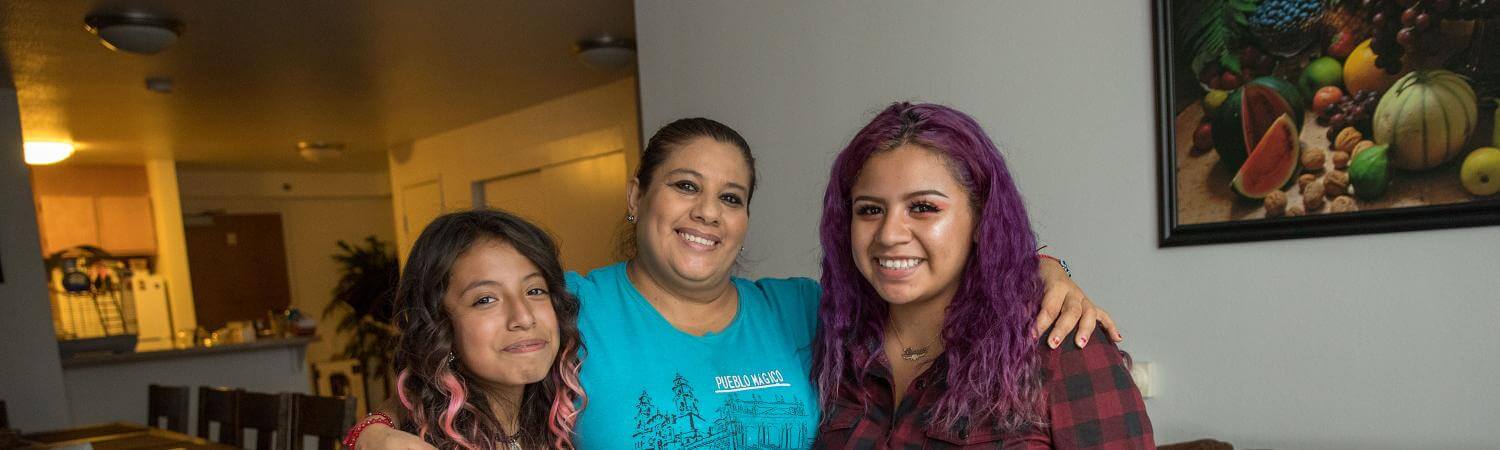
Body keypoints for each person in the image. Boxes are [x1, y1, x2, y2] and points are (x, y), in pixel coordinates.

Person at [354, 118, 1121, 450]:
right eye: (684, 186)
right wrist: (366, 434)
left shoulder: (805, 308)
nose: (707, 214)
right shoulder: (566, 307)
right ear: (636, 196)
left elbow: (915, 278)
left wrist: (1037, 269)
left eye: (731, 197)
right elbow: (452, 384)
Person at [813, 103, 1152, 448]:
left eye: (923, 208)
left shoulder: (1060, 342)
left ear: (981, 220)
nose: (889, 234)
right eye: (870, 210)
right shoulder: (832, 344)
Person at [357, 210, 586, 449]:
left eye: (535, 290)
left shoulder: (558, 417)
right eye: (486, 299)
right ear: (440, 327)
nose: (524, 317)